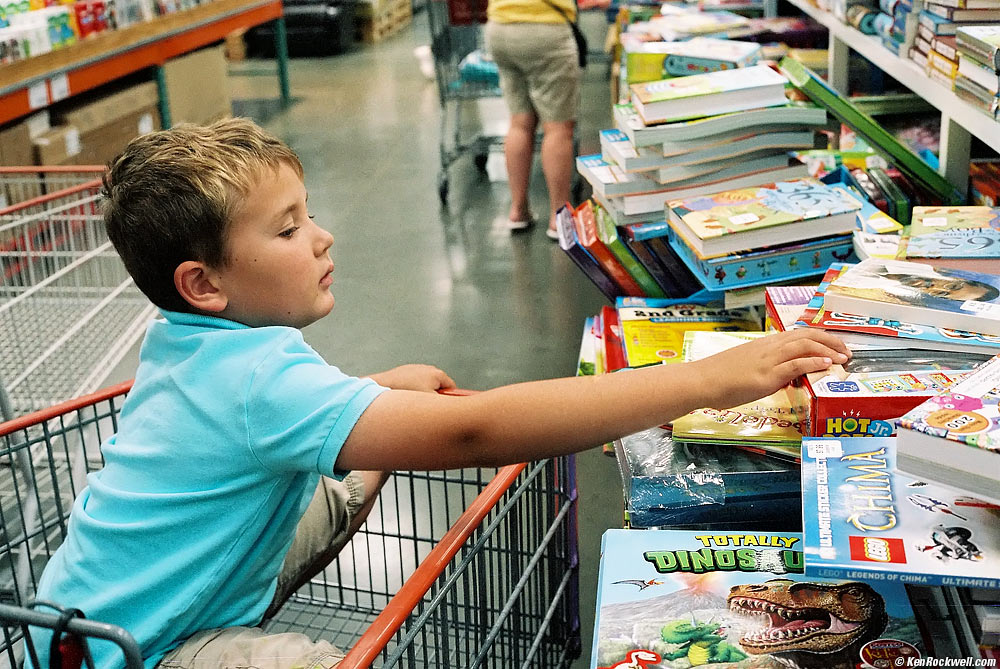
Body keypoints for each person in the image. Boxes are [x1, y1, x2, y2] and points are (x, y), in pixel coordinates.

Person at [33, 118, 850, 669]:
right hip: (137, 649)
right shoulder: (255, 377)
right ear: (203, 282)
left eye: (307, 213)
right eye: (286, 229)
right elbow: (474, 431)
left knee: (337, 476)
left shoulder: (195, 344)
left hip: (84, 606)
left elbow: (256, 421)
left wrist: (376, 392)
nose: (322, 236)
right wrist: (702, 380)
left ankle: (367, 448)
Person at [484, 0, 581, 239]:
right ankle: (559, 217)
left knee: (519, 123)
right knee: (558, 128)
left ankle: (518, 210)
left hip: (500, 27)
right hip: (544, 28)